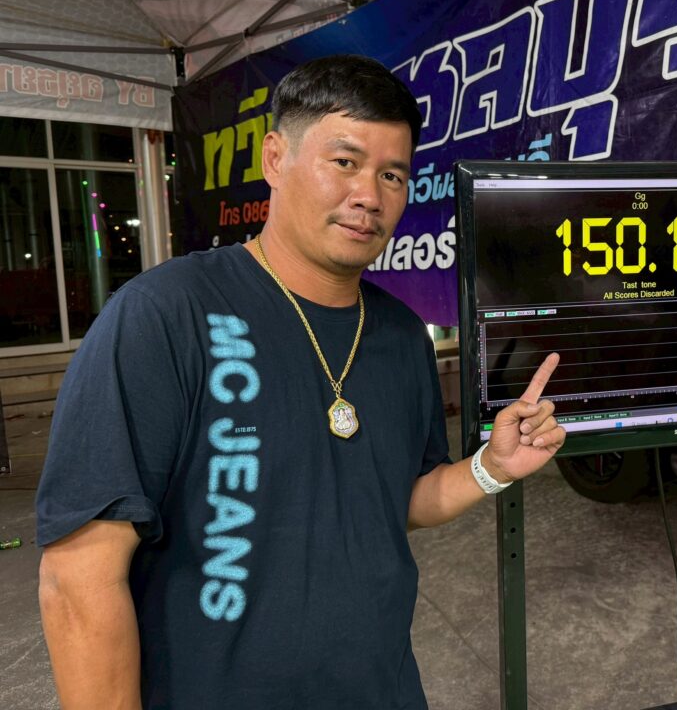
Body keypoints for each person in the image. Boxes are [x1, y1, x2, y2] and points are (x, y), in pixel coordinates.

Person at [35, 54, 566, 710]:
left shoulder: (403, 336)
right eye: (344, 161)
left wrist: (492, 467)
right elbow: (78, 576)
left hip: (382, 691)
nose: (369, 196)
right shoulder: (166, 315)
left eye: (392, 174)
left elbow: (399, 499)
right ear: (275, 159)